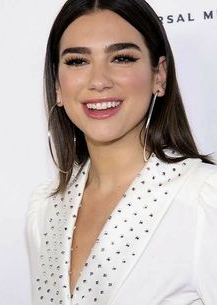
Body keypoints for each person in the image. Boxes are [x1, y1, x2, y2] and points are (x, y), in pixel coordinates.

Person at [26, 0, 217, 304]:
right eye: (77, 61)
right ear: (57, 85)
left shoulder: (203, 199)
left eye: (122, 58)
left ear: (160, 75)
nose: (99, 81)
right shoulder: (45, 210)